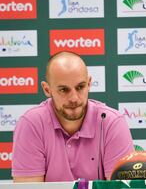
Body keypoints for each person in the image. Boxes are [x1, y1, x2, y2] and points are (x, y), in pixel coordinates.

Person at [12, 51, 134, 182]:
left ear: (89, 84)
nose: (74, 98)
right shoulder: (31, 124)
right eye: (64, 90)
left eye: (80, 87)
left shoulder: (111, 123)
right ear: (47, 90)